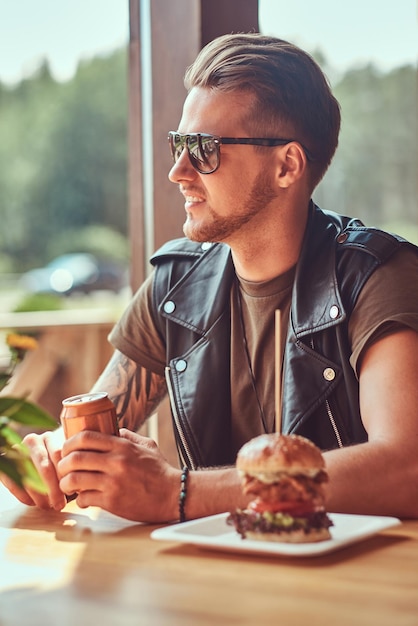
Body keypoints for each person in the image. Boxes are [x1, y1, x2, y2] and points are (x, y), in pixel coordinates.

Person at [2, 33, 418, 522]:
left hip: (355, 586)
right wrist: (54, 458)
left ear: (287, 165)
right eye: (179, 144)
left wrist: (178, 493)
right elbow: (93, 435)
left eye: (202, 148)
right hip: (210, 581)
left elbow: (406, 469)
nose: (178, 171)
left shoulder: (379, 277)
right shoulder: (175, 285)